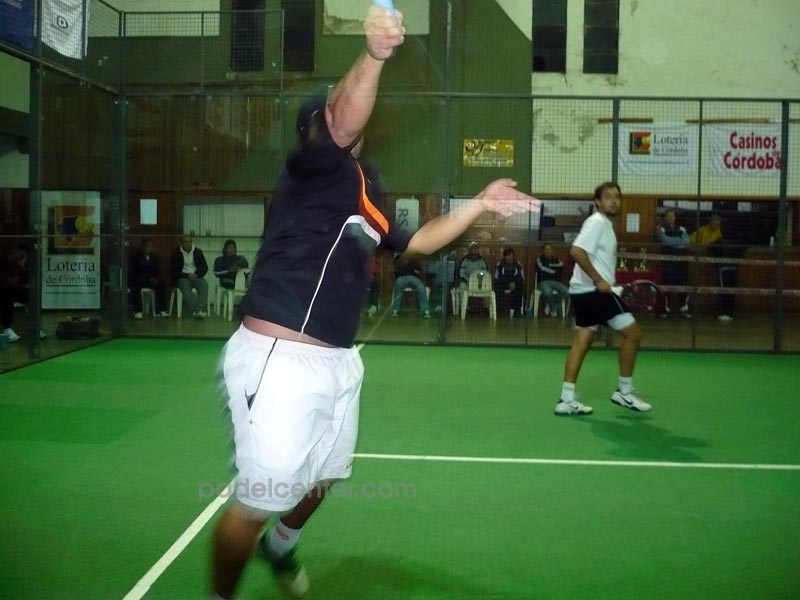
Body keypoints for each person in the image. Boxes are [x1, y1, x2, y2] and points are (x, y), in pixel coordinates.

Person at [210, 6, 539, 600]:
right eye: (332, 114)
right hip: (279, 359)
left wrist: (479, 202)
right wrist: (375, 53)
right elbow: (342, 116)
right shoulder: (313, 165)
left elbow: (416, 243)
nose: (343, 119)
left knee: (326, 474)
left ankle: (281, 544)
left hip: (338, 359)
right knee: (258, 498)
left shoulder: (364, 184)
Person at [555, 182, 651, 416]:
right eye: (608, 197)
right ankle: (624, 392)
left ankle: (566, 399)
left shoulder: (604, 225)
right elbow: (576, 251)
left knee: (583, 340)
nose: (614, 201)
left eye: (617, 197)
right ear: (597, 202)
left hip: (581, 291)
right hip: (593, 292)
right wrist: (598, 280)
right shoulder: (597, 222)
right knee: (633, 334)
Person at [690, 215, 735, 321]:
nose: (716, 225)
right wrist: (700, 246)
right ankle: (725, 311)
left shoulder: (720, 235)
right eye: (714, 222)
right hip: (717, 265)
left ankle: (726, 311)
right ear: (710, 222)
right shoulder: (702, 230)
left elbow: (713, 247)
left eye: (718, 223)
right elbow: (691, 239)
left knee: (726, 289)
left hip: (721, 266)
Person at [657, 210, 691, 318]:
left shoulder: (681, 229)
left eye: (673, 216)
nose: (671, 218)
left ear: (675, 217)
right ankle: (665, 310)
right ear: (665, 218)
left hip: (681, 263)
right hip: (667, 263)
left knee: (683, 284)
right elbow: (664, 240)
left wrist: (672, 242)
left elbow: (686, 241)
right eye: (668, 216)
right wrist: (678, 242)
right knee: (667, 285)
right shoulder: (661, 229)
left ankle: (683, 309)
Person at [170, 234, 209, 318]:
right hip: (183, 277)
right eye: (186, 242)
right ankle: (196, 310)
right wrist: (187, 275)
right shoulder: (176, 253)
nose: (188, 244)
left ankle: (199, 309)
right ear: (181, 243)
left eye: (190, 241)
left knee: (204, 284)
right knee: (185, 286)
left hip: (196, 276)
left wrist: (197, 274)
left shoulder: (198, 252)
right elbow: (173, 270)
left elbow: (205, 267)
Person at [128, 238, 169, 319]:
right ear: (143, 247)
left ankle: (161, 310)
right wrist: (146, 278)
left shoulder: (154, 257)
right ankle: (138, 311)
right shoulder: (135, 256)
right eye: (148, 246)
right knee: (135, 287)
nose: (150, 248)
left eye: (151, 247)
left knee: (162, 284)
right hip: (138, 279)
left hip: (151, 280)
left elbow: (157, 270)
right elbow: (133, 271)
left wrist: (155, 278)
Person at [0, 245, 28, 342]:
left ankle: (34, 326)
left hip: (16, 289)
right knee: (7, 296)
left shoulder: (21, 265)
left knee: (31, 296)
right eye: (20, 256)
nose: (22, 259)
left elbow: (25, 281)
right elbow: (4, 283)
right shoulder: (2, 264)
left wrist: (23, 269)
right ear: (11, 255)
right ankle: (6, 328)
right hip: (4, 291)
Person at [535, 243, 569, 317]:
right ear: (543, 251)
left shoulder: (557, 260)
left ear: (552, 251)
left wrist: (549, 267)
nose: (548, 251)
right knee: (548, 292)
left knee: (566, 291)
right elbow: (541, 269)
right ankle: (553, 309)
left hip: (555, 282)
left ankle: (550, 304)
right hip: (543, 282)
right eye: (546, 249)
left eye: (549, 249)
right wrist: (553, 270)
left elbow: (561, 268)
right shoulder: (539, 260)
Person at [495, 248, 525, 318]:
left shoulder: (518, 264)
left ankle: (517, 311)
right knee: (498, 288)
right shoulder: (499, 265)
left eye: (512, 256)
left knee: (520, 288)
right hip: (503, 284)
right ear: (505, 257)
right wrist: (507, 284)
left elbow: (521, 278)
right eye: (508, 256)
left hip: (515, 284)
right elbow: (497, 278)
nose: (510, 258)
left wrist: (515, 284)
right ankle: (501, 311)